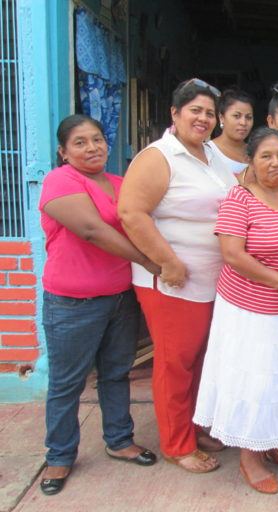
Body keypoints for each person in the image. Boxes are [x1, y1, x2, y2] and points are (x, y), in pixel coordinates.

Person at [118, 78, 238, 473]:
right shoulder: (159, 157)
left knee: (202, 360)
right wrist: (167, 262)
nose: (203, 119)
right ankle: (177, 443)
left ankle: (195, 427)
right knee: (176, 363)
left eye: (209, 113)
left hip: (213, 281)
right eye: (195, 111)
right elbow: (131, 213)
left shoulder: (212, 155)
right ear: (175, 113)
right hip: (173, 281)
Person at [37, 115, 159, 495]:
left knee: (116, 373)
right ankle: (59, 456)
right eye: (80, 142)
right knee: (67, 383)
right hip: (73, 302)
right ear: (63, 151)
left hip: (120, 298)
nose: (92, 148)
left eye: (98, 140)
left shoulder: (122, 184)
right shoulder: (60, 181)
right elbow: (92, 230)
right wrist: (149, 260)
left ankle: (120, 440)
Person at [193, 127, 278, 495]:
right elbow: (232, 254)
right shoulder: (239, 198)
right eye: (266, 156)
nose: (275, 162)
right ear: (251, 160)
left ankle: (276, 442)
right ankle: (250, 454)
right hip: (248, 311)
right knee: (256, 380)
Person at [210, 88, 255, 174]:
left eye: (248, 117)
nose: (243, 122)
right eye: (236, 116)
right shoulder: (208, 151)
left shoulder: (255, 151)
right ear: (221, 117)